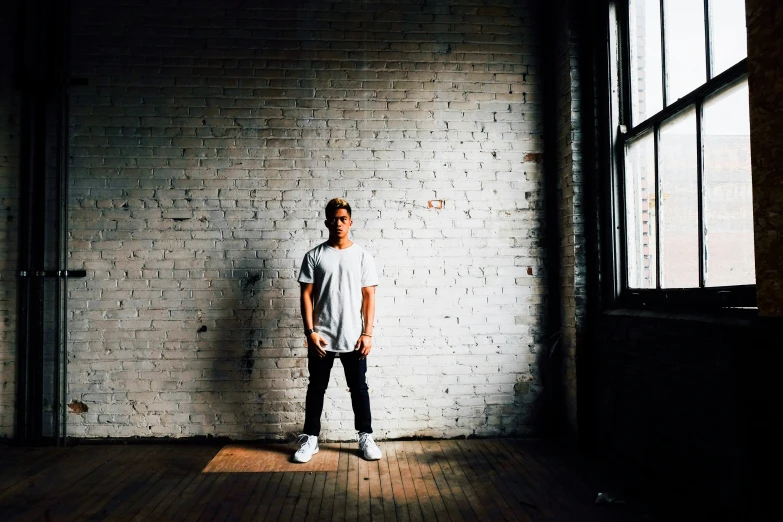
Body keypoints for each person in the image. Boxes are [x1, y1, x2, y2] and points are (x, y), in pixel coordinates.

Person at [293, 198, 382, 463]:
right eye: (333, 219)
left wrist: (367, 334)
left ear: (350, 222)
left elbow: (369, 297)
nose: (338, 223)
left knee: (359, 389)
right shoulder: (314, 256)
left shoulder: (363, 256)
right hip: (322, 336)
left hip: (353, 337)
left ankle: (365, 436)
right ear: (327, 222)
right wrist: (310, 332)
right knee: (316, 388)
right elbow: (306, 296)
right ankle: (310, 439)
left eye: (343, 219)